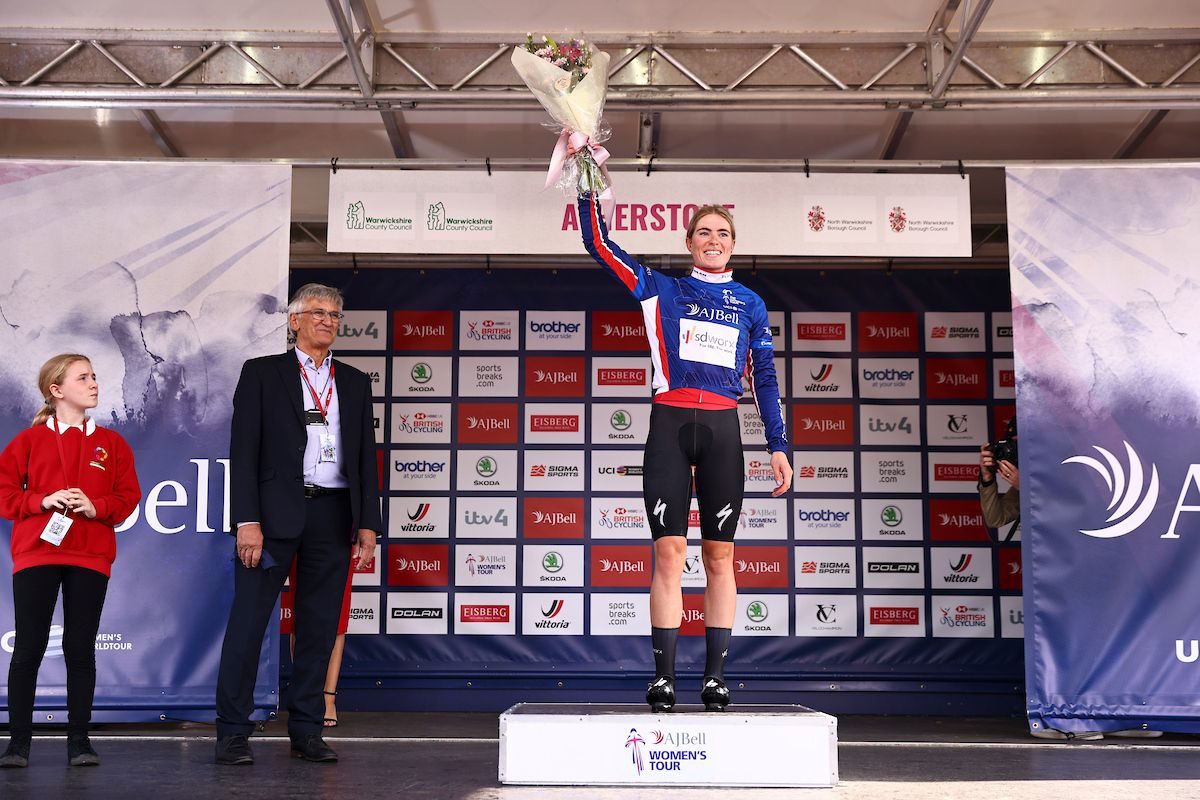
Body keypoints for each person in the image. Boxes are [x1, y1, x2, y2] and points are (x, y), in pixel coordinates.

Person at [579, 192, 792, 712]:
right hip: (669, 423)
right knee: (668, 554)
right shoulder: (661, 290)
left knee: (720, 555)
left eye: (722, 233)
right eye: (704, 232)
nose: (713, 240)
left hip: (722, 428)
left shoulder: (751, 304)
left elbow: (764, 377)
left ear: (734, 246)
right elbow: (598, 243)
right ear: (688, 242)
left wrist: (777, 444)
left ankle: (716, 678)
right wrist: (587, 184)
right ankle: (664, 678)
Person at [214, 284, 380, 765]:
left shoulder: (352, 381)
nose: (328, 321)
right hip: (271, 516)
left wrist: (367, 523)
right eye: (318, 313)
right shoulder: (262, 373)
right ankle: (232, 733)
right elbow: (242, 454)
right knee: (248, 625)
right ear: (294, 322)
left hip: (333, 514)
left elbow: (366, 459)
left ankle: (306, 730)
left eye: (335, 314)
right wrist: (247, 519)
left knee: (319, 629)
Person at [979, 418, 1160, 741]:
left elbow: (1080, 510)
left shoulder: (1083, 459)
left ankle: (1125, 715)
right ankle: (1080, 716)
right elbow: (997, 517)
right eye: (1014, 443)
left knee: (1110, 640)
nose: (1018, 449)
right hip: (1060, 575)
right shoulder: (1034, 475)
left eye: (1023, 441)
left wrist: (1025, 484)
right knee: (1071, 641)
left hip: (1104, 569)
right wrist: (989, 479)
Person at [0, 354, 140, 768]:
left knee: (81, 648)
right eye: (84, 378)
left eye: (94, 376)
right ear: (56, 390)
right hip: (37, 552)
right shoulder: (28, 441)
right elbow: (5, 494)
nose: (94, 383)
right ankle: (18, 743)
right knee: (28, 647)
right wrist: (41, 499)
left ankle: (79, 741)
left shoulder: (112, 443)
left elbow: (127, 497)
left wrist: (95, 507)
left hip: (90, 554)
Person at [287, 554, 355, 727]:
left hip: (337, 534)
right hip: (295, 534)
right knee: (300, 616)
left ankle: (328, 698)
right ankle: (305, 696)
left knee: (337, 617)